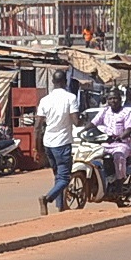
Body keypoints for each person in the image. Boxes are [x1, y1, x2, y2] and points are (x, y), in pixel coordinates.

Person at [35, 77, 81, 214]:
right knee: (65, 178)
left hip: (48, 143)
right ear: (65, 82)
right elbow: (76, 122)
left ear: (53, 83)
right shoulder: (70, 98)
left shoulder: (45, 100)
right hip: (62, 143)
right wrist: (81, 118)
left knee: (57, 175)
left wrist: (37, 148)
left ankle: (60, 206)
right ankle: (47, 198)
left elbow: (37, 127)